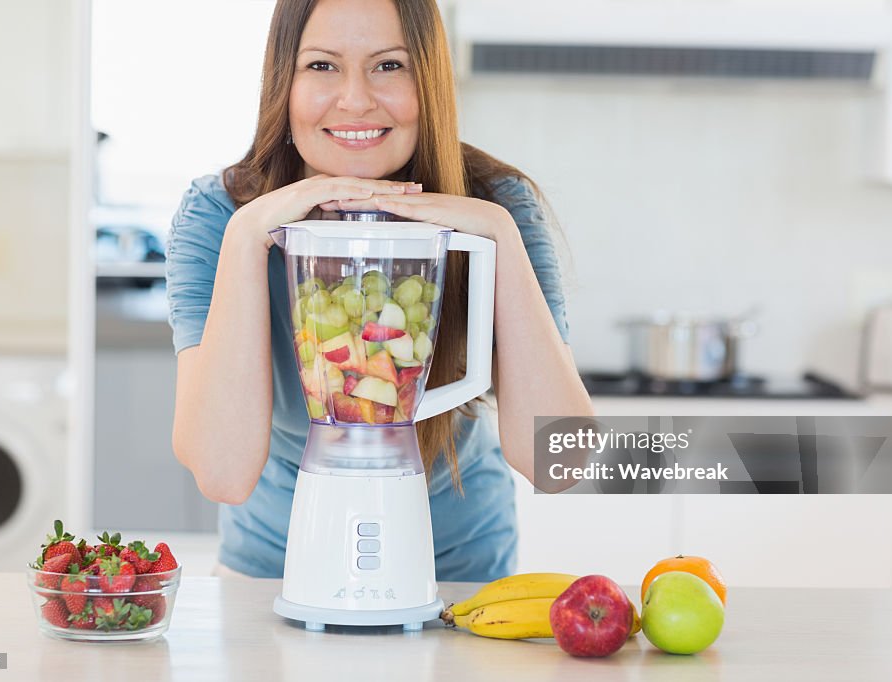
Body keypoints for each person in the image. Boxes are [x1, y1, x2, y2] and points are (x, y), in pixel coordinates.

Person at [165, 0, 593, 582]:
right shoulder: (222, 215)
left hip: (461, 572)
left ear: (430, 80)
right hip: (271, 567)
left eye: (389, 66)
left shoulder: (497, 204)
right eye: (321, 66)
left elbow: (560, 462)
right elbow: (223, 474)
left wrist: (499, 236)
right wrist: (246, 237)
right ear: (282, 82)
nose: (356, 99)